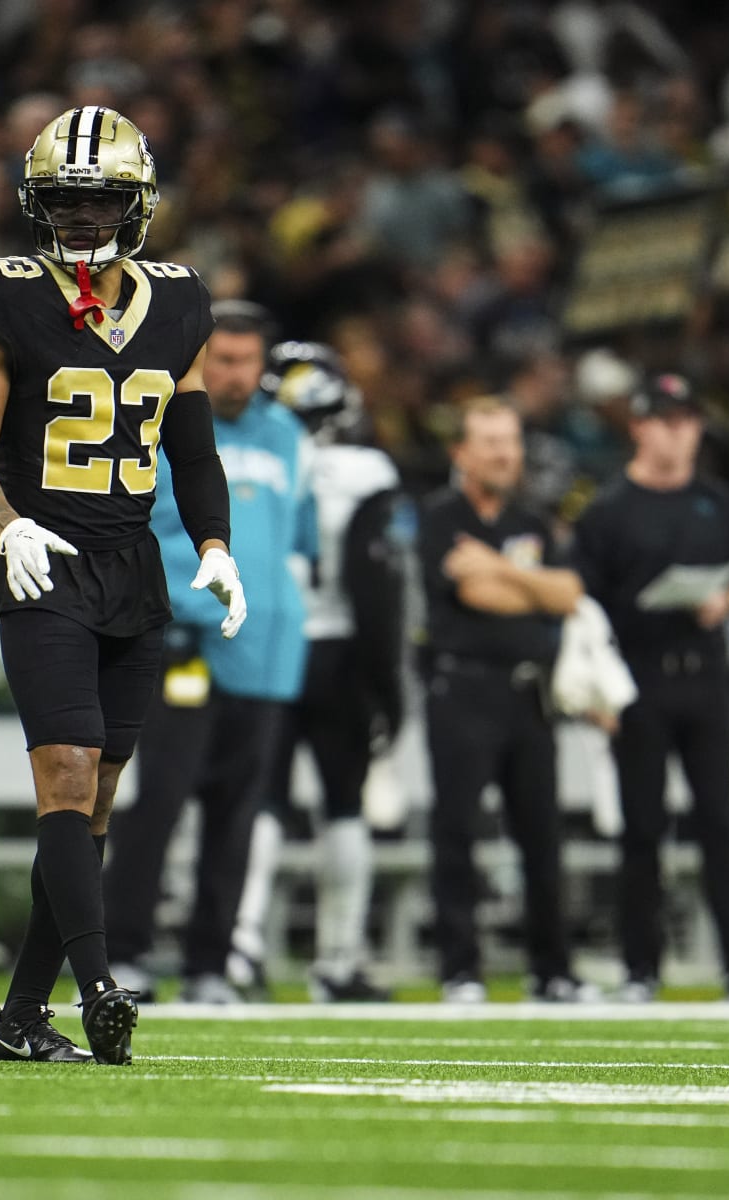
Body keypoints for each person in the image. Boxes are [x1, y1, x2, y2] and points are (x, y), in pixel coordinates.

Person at [0, 106, 244, 1065]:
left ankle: (23, 1017)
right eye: (64, 202)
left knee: (96, 803)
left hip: (133, 572)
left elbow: (193, 452)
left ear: (137, 203)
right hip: (44, 563)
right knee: (64, 778)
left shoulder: (183, 300)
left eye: (98, 199)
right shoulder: (4, 296)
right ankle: (103, 985)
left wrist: (217, 544)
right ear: (37, 206)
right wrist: (7, 522)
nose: (79, 218)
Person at [101, 301, 313, 1005]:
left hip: (265, 656)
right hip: (182, 647)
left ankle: (209, 965)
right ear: (198, 355)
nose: (235, 373)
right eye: (222, 358)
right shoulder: (160, 423)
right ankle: (125, 954)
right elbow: (136, 531)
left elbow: (296, 540)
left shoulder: (286, 434)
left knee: (236, 816)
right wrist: (186, 604)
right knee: (156, 807)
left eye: (247, 360)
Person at [572, 373, 729, 1003]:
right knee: (642, 828)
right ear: (639, 427)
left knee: (720, 822)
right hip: (639, 679)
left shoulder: (716, 501)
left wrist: (728, 601)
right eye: (666, 420)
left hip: (706, 677)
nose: (679, 432)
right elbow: (584, 600)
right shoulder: (609, 509)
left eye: (687, 420)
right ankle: (641, 968)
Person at [225, 340, 404, 1003]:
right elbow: (376, 588)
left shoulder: (258, 454)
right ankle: (337, 958)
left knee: (261, 799)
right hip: (341, 649)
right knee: (342, 806)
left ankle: (238, 945)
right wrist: (390, 686)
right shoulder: (363, 471)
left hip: (268, 637)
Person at [418, 396, 596, 1004]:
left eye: (511, 441)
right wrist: (533, 589)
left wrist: (500, 569)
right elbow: (473, 594)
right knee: (457, 834)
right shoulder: (440, 515)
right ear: (461, 453)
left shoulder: (532, 519)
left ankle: (554, 970)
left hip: (529, 694)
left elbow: (570, 593)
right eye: (491, 442)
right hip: (463, 687)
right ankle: (461, 969)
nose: (503, 453)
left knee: (543, 837)